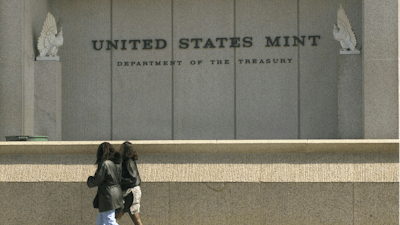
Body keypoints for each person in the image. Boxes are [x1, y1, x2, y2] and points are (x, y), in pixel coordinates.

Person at [87, 142, 123, 225]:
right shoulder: (117, 163)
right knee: (101, 220)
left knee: (109, 220)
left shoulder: (105, 164)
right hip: (115, 193)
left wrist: (90, 180)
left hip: (108, 195)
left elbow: (97, 180)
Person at [115, 141, 143, 225]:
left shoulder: (128, 161)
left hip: (130, 192)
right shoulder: (127, 161)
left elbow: (133, 179)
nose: (119, 150)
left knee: (116, 217)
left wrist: (118, 180)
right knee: (135, 218)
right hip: (131, 192)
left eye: (121, 149)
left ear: (125, 150)